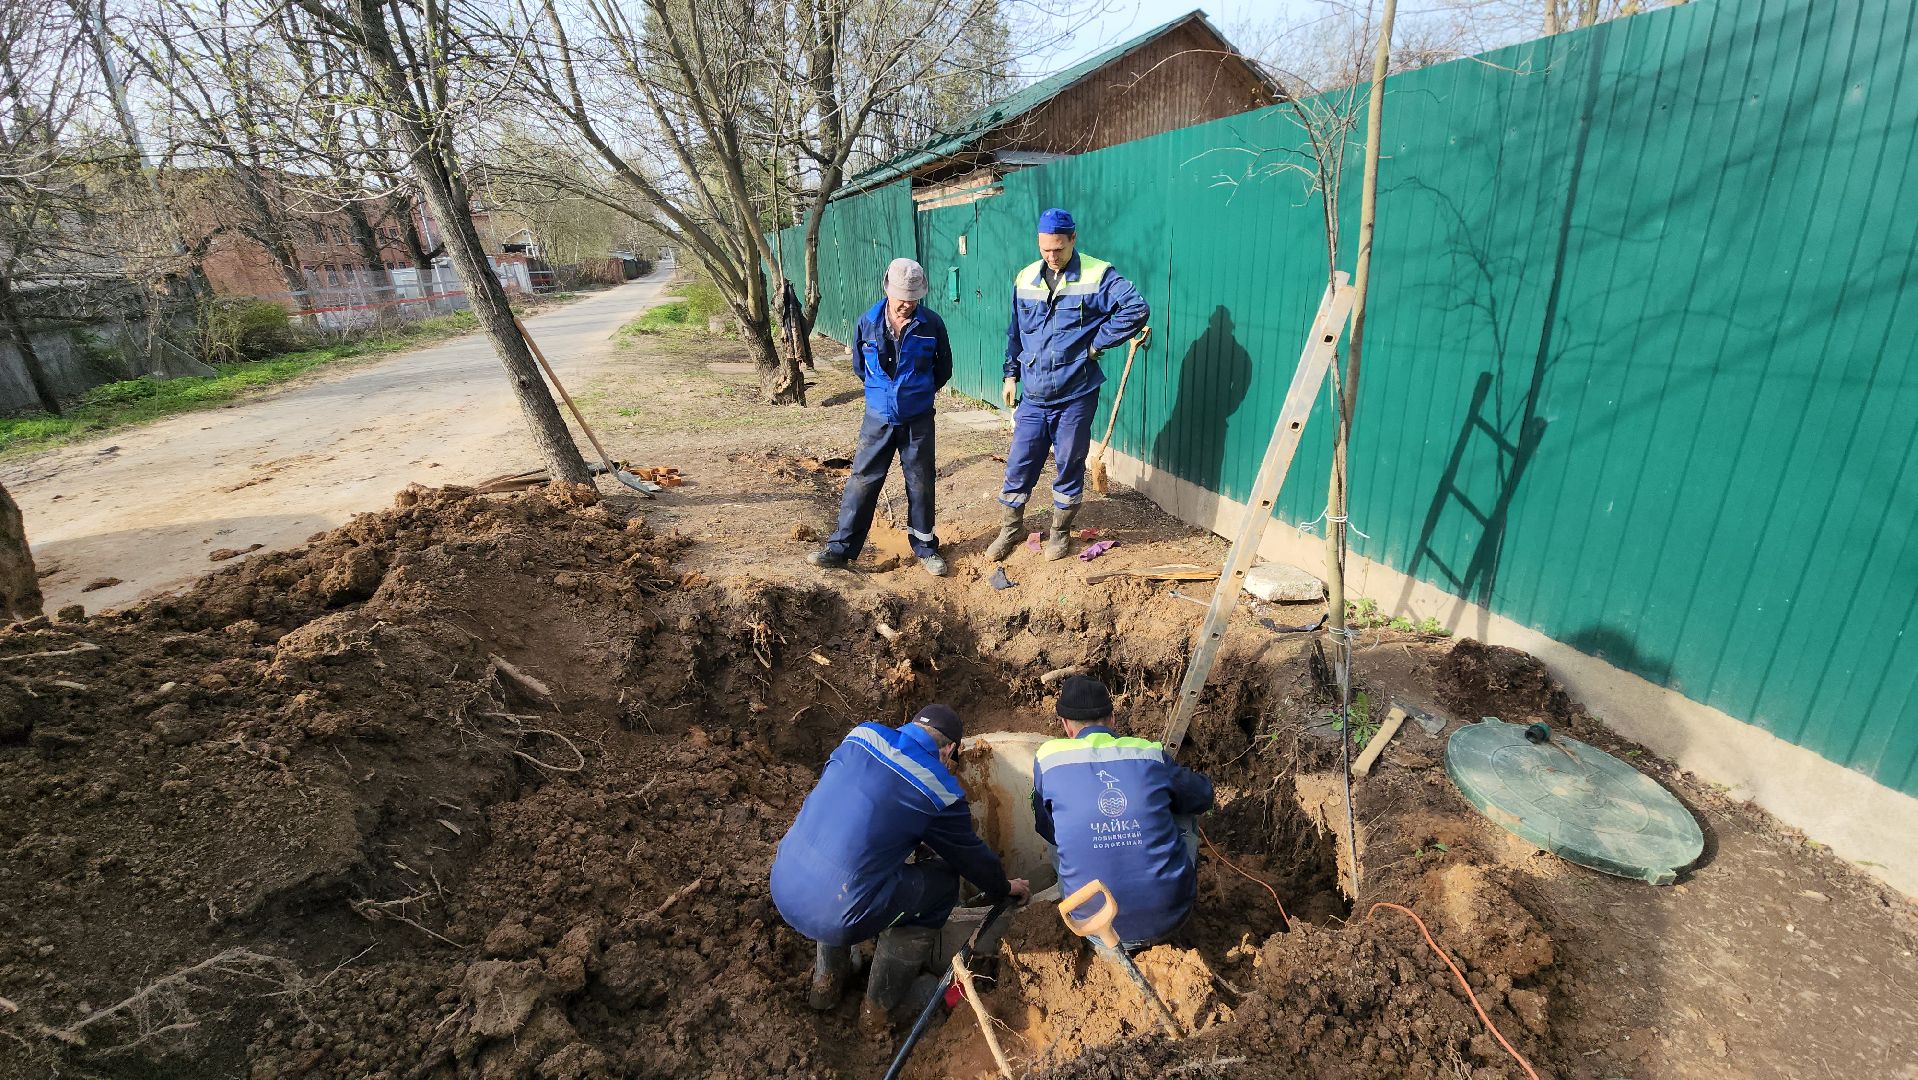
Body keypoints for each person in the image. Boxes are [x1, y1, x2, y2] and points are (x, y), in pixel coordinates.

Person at [771, 704, 1031, 1030]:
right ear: (948, 748)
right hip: (838, 914)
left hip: (784, 879)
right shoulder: (938, 788)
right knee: (943, 885)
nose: (951, 768)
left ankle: (826, 984)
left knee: (845, 862)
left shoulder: (861, 735)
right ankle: (878, 1011)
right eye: (952, 761)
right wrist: (1004, 888)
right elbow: (970, 858)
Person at [988, 208, 1150, 562]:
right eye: (1046, 249)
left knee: (1069, 462)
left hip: (1076, 392)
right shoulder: (1026, 279)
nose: (1052, 256)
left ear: (1073, 239)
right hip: (1033, 393)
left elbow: (1136, 308)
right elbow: (1015, 331)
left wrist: (1096, 344)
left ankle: (1060, 532)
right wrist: (1010, 373)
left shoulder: (1097, 274)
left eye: (1058, 249)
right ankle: (1010, 529)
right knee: (1019, 463)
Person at [1031, 675, 1213, 954]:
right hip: (1171, 917)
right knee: (1182, 809)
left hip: (1095, 926)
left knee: (1056, 828)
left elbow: (1047, 829)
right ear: (1113, 718)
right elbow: (1202, 797)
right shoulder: (1147, 753)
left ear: (1066, 725)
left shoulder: (1048, 758)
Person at [809, 258, 954, 576]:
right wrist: (883, 395)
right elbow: (861, 368)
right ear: (887, 288)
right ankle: (841, 549)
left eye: (914, 297)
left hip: (918, 419)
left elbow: (943, 369)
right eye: (902, 296)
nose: (907, 303)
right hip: (878, 417)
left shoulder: (932, 325)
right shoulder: (867, 322)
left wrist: (919, 393)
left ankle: (926, 547)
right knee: (863, 480)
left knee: (921, 483)